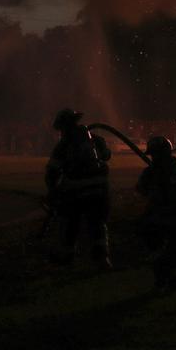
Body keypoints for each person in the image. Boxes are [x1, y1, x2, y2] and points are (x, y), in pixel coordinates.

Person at [45, 108, 112, 268]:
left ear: (63, 127)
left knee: (70, 223)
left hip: (76, 192)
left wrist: (52, 191)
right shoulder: (96, 139)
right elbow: (107, 155)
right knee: (97, 224)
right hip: (100, 190)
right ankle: (102, 259)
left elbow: (52, 172)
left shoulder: (63, 146)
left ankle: (67, 256)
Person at [136, 136, 176, 291]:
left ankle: (162, 277)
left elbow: (141, 189)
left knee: (155, 246)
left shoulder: (150, 171)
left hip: (159, 217)